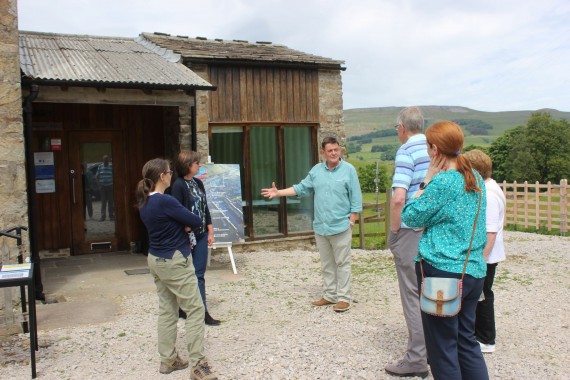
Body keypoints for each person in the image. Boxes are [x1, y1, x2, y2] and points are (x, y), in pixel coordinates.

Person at [401, 121, 489, 379]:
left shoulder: (443, 183)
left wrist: (426, 180)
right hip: (473, 272)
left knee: (442, 348)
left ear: (434, 149)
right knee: (467, 342)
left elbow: (411, 216)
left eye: (428, 146)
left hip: (442, 276)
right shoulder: (476, 179)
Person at [136, 158, 218, 380]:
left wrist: (182, 222)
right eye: (169, 172)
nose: (171, 174)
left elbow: (183, 221)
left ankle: (168, 359)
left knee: (167, 310)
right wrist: (184, 223)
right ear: (162, 176)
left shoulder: (145, 202)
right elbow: (195, 219)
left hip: (156, 258)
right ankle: (198, 364)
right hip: (175, 260)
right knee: (195, 308)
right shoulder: (166, 202)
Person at [261, 136, 362, 312]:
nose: (333, 153)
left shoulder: (349, 170)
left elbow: (356, 196)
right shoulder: (316, 171)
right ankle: (330, 295)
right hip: (321, 226)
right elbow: (300, 188)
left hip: (341, 225)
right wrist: (278, 193)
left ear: (340, 150)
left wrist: (352, 220)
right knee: (326, 263)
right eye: (329, 150)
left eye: (336, 150)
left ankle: (344, 298)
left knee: (342, 263)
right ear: (323, 152)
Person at [385, 107, 430, 378]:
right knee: (431, 290)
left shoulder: (406, 151)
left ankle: (416, 359)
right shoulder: (435, 148)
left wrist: (394, 230)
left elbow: (399, 197)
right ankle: (436, 350)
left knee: (412, 294)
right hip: (434, 230)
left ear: (402, 127)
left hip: (411, 228)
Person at [171, 151, 220, 326]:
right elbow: (176, 210)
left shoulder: (198, 183)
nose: (199, 165)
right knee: (185, 274)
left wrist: (210, 231)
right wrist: (185, 226)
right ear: (188, 165)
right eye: (196, 163)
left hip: (201, 235)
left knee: (199, 273)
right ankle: (184, 308)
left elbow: (205, 208)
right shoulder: (178, 185)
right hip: (186, 237)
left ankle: (202, 311)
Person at [464, 149, 506, 354]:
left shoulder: (488, 194)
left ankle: (486, 338)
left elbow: (490, 231)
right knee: (482, 295)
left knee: (483, 295)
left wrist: (481, 259)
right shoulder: (489, 187)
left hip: (486, 256)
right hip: (487, 255)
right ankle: (480, 335)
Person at [96, 155, 114, 221]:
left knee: (110, 202)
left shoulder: (111, 166)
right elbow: (97, 177)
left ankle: (111, 216)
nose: (106, 161)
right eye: (105, 159)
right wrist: (99, 185)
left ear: (108, 160)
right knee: (103, 202)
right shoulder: (100, 166)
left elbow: (115, 175)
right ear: (103, 160)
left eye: (107, 159)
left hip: (110, 186)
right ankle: (103, 217)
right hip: (102, 187)